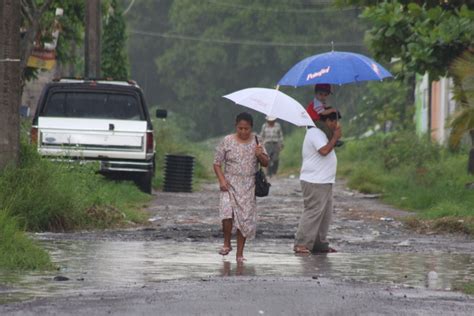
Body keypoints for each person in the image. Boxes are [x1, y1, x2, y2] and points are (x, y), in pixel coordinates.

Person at [213, 112, 269, 263]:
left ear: (251, 128)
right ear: (236, 126)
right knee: (227, 212)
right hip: (229, 183)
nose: (243, 132)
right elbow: (217, 163)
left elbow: (265, 163)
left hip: (248, 185)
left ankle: (240, 253)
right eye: (240, 128)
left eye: (246, 129)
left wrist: (259, 154)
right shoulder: (227, 141)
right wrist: (222, 180)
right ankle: (226, 243)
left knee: (244, 219)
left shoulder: (257, 141)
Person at [293, 110, 342, 254]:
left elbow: (332, 145)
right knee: (313, 212)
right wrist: (335, 138)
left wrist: (336, 136)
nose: (335, 124)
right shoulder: (315, 133)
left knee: (325, 214)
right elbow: (324, 151)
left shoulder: (324, 134)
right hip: (315, 180)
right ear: (326, 121)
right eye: (333, 121)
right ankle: (301, 243)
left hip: (325, 180)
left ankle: (320, 244)